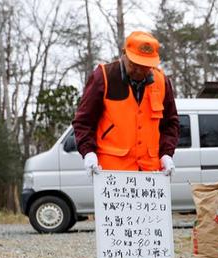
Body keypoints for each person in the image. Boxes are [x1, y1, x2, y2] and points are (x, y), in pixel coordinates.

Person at [72, 31, 179, 176]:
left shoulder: (162, 82)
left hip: (151, 174)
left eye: (145, 66)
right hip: (112, 174)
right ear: (124, 54)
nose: (139, 70)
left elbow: (170, 124)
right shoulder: (103, 77)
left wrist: (166, 154)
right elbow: (83, 121)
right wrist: (88, 152)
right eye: (134, 64)